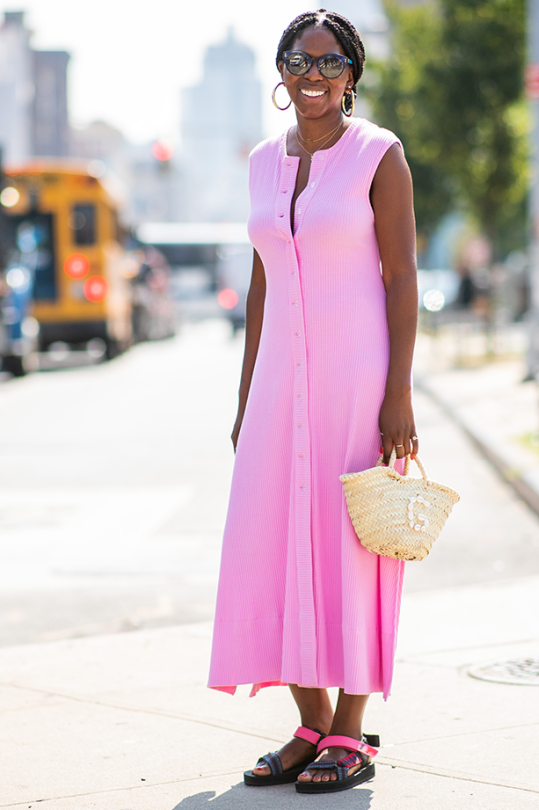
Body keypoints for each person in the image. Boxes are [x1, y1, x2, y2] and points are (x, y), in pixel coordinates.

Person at [208, 9, 419, 794]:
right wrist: (245, 396)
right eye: (300, 61)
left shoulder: (378, 155)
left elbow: (401, 278)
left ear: (353, 74)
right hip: (277, 385)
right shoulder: (263, 161)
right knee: (270, 539)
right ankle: (310, 719)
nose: (314, 76)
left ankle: (352, 730)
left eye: (331, 63)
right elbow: (264, 277)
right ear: (282, 72)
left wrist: (398, 393)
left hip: (357, 379)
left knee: (356, 541)